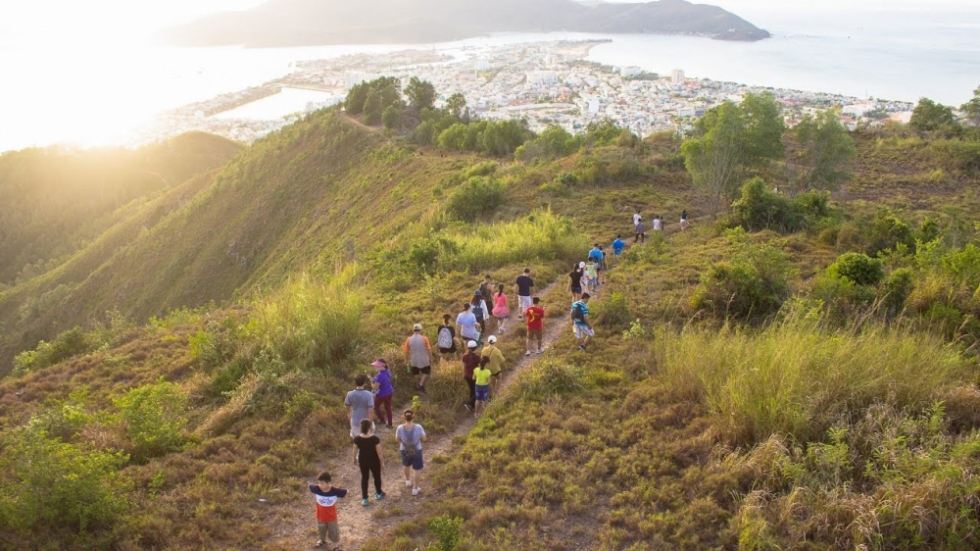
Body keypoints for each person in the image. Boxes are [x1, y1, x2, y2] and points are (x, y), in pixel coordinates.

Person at [308, 472, 348, 549]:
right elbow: (310, 485)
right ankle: (322, 541)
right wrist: (309, 484)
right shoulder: (316, 489)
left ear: (328, 483)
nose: (320, 485)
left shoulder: (335, 491)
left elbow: (345, 491)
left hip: (331, 517)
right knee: (321, 529)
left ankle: (335, 545)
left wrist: (341, 496)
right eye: (319, 483)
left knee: (333, 531)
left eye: (322, 483)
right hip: (320, 516)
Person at [352, 419, 385, 506]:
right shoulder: (375, 438)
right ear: (370, 427)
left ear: (361, 428)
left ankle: (365, 498)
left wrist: (354, 459)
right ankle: (378, 493)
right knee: (377, 476)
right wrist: (382, 462)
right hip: (374, 460)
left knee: (364, 478)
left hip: (363, 461)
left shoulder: (357, 439)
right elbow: (379, 452)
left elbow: (355, 450)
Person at [395, 409, 426, 496]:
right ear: (413, 416)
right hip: (417, 449)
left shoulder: (400, 427)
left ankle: (408, 480)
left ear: (403, 417)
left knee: (406, 465)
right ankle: (415, 488)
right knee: (417, 469)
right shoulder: (418, 427)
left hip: (404, 449)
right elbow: (424, 438)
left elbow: (397, 439)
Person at [403, 323, 432, 393]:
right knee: (426, 372)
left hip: (413, 359)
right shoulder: (424, 338)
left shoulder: (408, 339)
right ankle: (421, 384)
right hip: (423, 359)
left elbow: (406, 351)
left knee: (415, 373)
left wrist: (406, 360)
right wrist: (431, 359)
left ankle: (418, 384)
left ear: (413, 330)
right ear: (420, 330)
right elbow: (429, 349)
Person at [344, 374, 374, 438]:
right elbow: (370, 411)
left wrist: (348, 413)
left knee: (357, 441)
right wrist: (370, 423)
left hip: (355, 420)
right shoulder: (369, 395)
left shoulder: (350, 394)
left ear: (355, 382)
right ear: (364, 383)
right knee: (367, 440)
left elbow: (347, 406)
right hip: (366, 422)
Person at [371, 359, 394, 428]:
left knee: (375, 406)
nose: (375, 367)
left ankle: (382, 420)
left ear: (383, 366)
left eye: (377, 366)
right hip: (389, 392)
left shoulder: (380, 375)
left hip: (382, 394)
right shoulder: (387, 371)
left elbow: (375, 387)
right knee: (388, 407)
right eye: (375, 366)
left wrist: (371, 382)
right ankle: (390, 424)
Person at [462, 340, 480, 412]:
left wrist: (463, 374)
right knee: (477, 391)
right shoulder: (477, 357)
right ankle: (469, 404)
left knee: (472, 390)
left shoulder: (464, 356)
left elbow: (463, 366)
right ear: (475, 348)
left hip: (467, 376)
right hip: (474, 376)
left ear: (468, 347)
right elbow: (479, 367)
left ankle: (471, 406)